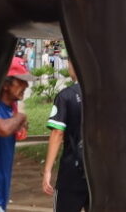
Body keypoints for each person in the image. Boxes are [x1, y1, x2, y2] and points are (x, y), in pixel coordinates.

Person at [43, 65, 87, 212]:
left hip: (73, 170)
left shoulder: (65, 96)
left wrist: (48, 170)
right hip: (101, 170)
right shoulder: (106, 95)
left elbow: (57, 133)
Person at [0, 70, 29, 212]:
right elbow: (4, 129)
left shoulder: (10, 111)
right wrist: (21, 117)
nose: (26, 85)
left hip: (0, 195)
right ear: (5, 84)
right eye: (21, 81)